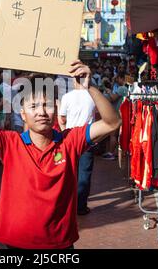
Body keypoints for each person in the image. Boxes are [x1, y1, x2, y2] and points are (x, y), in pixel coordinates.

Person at [0, 46, 121, 249]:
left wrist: (90, 87)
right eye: (33, 107)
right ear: (22, 113)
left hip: (59, 245)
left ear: (56, 108)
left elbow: (112, 123)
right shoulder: (10, 143)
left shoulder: (70, 141)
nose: (42, 112)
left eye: (47, 105)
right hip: (18, 244)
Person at [58, 77, 96, 216]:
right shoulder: (93, 96)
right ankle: (80, 206)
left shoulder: (67, 97)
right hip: (87, 137)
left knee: (68, 172)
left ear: (74, 81)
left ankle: (68, 204)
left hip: (70, 138)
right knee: (84, 173)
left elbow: (62, 118)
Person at [102, 72, 128, 160]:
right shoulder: (126, 88)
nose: (117, 80)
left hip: (118, 113)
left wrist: (108, 91)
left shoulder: (122, 88)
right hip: (121, 112)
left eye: (118, 78)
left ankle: (111, 153)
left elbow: (113, 98)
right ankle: (114, 152)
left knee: (113, 134)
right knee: (116, 134)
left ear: (122, 78)